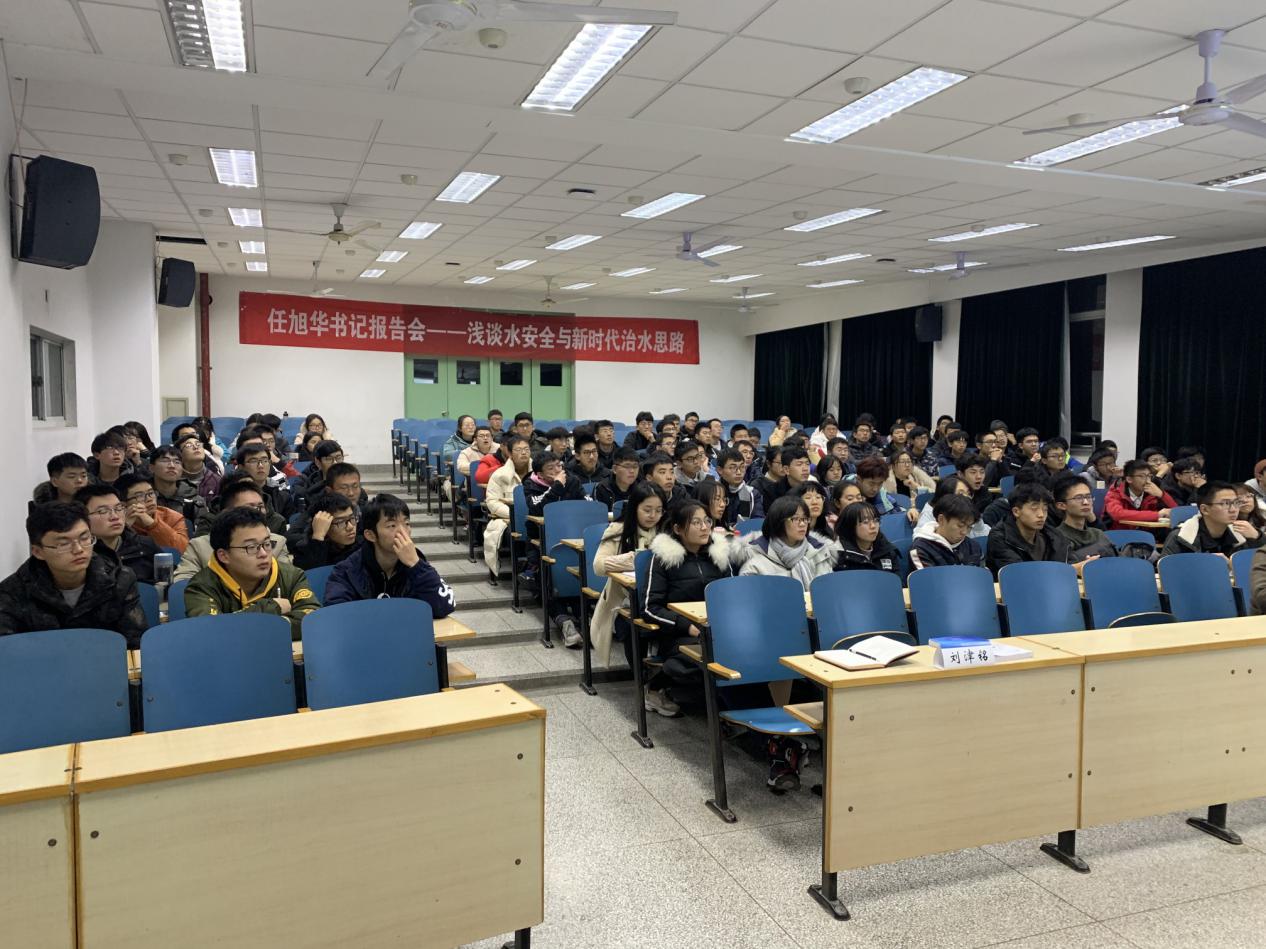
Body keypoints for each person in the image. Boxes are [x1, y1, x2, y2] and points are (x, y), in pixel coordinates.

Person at [643, 501, 746, 717]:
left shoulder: (718, 556)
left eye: (707, 521)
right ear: (678, 528)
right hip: (678, 634)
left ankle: (744, 710)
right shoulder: (663, 559)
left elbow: (734, 597)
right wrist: (687, 626)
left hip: (716, 630)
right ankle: (658, 684)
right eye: (696, 523)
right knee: (715, 653)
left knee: (747, 648)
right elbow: (651, 608)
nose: (705, 527)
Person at [0, 502, 146, 645]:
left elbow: (135, 644)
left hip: (105, 659)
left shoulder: (120, 579)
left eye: (84, 538)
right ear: (38, 552)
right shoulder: (12, 592)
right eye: (63, 544)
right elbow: (8, 651)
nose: (78, 549)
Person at [184, 507, 319, 639]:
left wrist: (261, 626)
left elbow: (312, 618)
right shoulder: (201, 587)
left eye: (267, 543)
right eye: (251, 547)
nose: (263, 554)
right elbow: (212, 632)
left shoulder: (291, 575)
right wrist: (273, 607)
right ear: (223, 555)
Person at [324, 494, 456, 618]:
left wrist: (416, 565)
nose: (403, 532)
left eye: (406, 524)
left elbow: (445, 606)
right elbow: (337, 616)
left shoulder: (417, 565)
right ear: (370, 535)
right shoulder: (346, 571)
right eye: (392, 526)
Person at [590, 482, 665, 667]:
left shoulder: (666, 530)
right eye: (647, 510)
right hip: (625, 599)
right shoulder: (618, 529)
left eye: (658, 510)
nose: (653, 515)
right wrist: (633, 560)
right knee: (632, 626)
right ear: (634, 508)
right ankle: (642, 674)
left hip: (659, 597)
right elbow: (598, 565)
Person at [175, 480, 292, 581]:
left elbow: (286, 581)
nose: (257, 512)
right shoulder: (200, 547)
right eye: (249, 507)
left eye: (260, 507)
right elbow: (182, 585)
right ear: (226, 512)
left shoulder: (277, 542)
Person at [742, 494, 839, 584]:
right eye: (796, 519)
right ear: (778, 522)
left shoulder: (819, 553)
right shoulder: (756, 561)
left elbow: (829, 590)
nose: (802, 524)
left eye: (805, 518)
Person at [76, 484, 163, 584]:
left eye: (118, 508)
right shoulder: (80, 554)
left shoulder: (144, 545)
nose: (114, 517)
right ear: (83, 518)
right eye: (103, 511)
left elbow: (168, 581)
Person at [986, 483, 1073, 578]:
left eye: (1045, 509)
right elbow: (1019, 573)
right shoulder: (1000, 537)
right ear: (1016, 511)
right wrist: (1069, 569)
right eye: (1034, 509)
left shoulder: (1053, 535)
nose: (1041, 515)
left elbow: (1065, 563)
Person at [1159, 481, 1251, 558]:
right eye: (1225, 503)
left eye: (1236, 502)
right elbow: (1166, 570)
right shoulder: (1181, 537)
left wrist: (1255, 538)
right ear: (1205, 509)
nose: (1233, 509)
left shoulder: (1241, 535)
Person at [483, 435, 530, 578]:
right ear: (509, 453)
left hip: (536, 518)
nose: (524, 453)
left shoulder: (539, 472)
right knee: (515, 529)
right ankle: (523, 566)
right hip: (507, 519)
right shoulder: (499, 475)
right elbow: (492, 502)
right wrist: (515, 514)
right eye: (519, 450)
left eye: (526, 449)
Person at [117, 472, 189, 553]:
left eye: (151, 493)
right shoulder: (115, 521)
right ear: (123, 505)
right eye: (140, 496)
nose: (149, 499)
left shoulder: (172, 517)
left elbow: (185, 551)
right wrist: (125, 528)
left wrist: (152, 524)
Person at [1051, 475, 1116, 563]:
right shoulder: (1058, 538)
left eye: (1088, 497)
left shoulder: (1098, 534)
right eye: (1078, 498)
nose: (1085, 502)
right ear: (1061, 505)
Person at [286, 493, 360, 570]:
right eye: (340, 522)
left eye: (352, 518)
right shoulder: (304, 550)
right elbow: (311, 574)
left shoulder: (361, 545)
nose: (350, 527)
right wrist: (318, 536)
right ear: (323, 524)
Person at [910, 494, 985, 569]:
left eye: (969, 527)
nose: (964, 532)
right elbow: (927, 576)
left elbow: (982, 575)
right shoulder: (921, 549)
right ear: (941, 519)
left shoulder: (973, 547)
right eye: (960, 525)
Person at [1103, 460, 1177, 528]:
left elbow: (1177, 512)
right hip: (1119, 534)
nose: (1147, 481)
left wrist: (1161, 495)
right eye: (1142, 476)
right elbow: (1118, 514)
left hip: (1148, 534)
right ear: (1129, 479)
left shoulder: (1153, 492)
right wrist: (1157, 515)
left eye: (1149, 476)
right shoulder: (1115, 492)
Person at [833, 501, 902, 574]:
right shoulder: (838, 554)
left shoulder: (887, 549)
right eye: (865, 522)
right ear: (850, 526)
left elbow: (897, 579)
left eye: (876, 520)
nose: (873, 526)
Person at [235, 440, 296, 520]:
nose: (260, 465)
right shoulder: (233, 496)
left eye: (265, 460)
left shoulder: (282, 497)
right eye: (253, 461)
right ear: (241, 467)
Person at [175, 430, 222, 501]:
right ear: (180, 454)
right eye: (189, 445)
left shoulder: (216, 480)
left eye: (198, 444)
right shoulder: (173, 480)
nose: (196, 447)